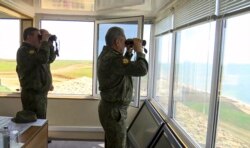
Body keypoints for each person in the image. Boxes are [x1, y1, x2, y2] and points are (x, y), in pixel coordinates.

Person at [97, 26, 148, 148]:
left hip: (109, 109)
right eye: (124, 41)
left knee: (112, 143)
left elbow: (122, 65)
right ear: (117, 41)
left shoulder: (107, 55)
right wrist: (139, 51)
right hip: (114, 112)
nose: (125, 44)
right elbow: (142, 69)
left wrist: (129, 52)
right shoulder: (114, 59)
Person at [16, 27, 56, 119]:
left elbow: (50, 59)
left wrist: (49, 43)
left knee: (40, 121)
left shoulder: (37, 50)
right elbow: (42, 59)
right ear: (29, 36)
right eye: (38, 36)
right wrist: (44, 41)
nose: (40, 38)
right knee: (33, 122)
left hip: (40, 93)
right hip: (32, 94)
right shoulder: (24, 50)